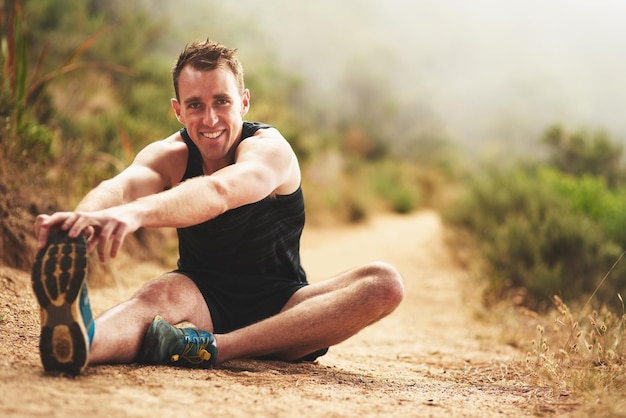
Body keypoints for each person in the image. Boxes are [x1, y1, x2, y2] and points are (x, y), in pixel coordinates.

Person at [31, 39, 404, 376]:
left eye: (221, 102)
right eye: (195, 105)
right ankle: (80, 345)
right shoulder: (171, 154)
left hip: (285, 307)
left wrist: (135, 213)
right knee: (157, 296)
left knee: (384, 283)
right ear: (178, 110)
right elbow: (123, 185)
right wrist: (81, 221)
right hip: (200, 295)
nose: (209, 119)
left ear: (243, 101)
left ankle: (215, 348)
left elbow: (220, 192)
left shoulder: (269, 151)